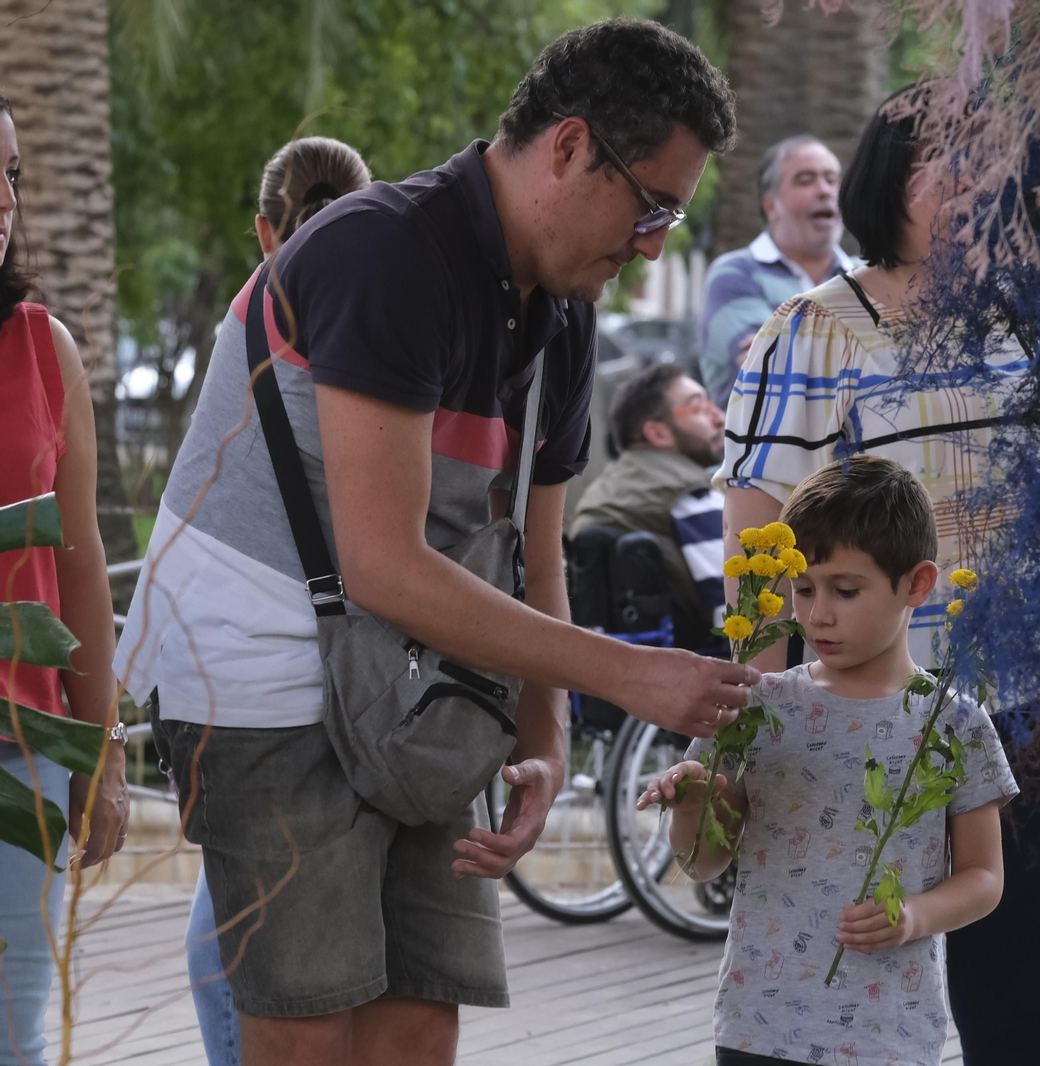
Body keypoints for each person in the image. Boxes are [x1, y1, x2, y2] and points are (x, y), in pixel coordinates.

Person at [111, 21, 756, 1065]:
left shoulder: (566, 308)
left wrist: (546, 739)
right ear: (569, 146)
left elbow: (536, 559)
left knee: (420, 1018)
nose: (653, 245)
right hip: (259, 667)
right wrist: (631, 675)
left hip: (410, 673)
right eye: (652, 208)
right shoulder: (386, 251)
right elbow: (385, 563)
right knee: (311, 1023)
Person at [716, 87, 1040, 1063]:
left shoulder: (1035, 322)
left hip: (1036, 719)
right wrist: (750, 735)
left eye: (989, 160)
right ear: (881, 179)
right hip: (878, 725)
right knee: (863, 998)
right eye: (938, 160)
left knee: (1027, 1011)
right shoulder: (813, 330)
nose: (968, 182)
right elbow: (758, 557)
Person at [637, 455, 1018, 1066]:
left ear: (918, 585)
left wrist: (915, 915)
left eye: (845, 590)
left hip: (887, 1033)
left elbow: (984, 879)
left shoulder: (956, 724)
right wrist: (693, 804)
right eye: (803, 588)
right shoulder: (755, 708)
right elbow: (702, 863)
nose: (817, 614)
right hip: (758, 1024)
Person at [180, 134, 373, 1066]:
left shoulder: (258, 308)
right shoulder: (380, 313)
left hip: (258, 671)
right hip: (367, 661)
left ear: (266, 229)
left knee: (237, 955)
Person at [0, 90, 128, 1066]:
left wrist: (105, 757)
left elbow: (79, 566)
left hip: (23, 749)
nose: (3, 197)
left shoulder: (46, 350)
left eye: (10, 175)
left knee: (14, 1032)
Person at [698, 135, 855, 408]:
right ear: (771, 206)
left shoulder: (869, 275)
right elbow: (770, 368)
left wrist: (791, 346)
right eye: (805, 180)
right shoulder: (733, 275)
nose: (824, 191)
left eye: (832, 179)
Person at [571, 362, 727, 636]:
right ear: (658, 433)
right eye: (699, 406)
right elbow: (736, 611)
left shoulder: (602, 493)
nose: (719, 417)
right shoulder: (690, 493)